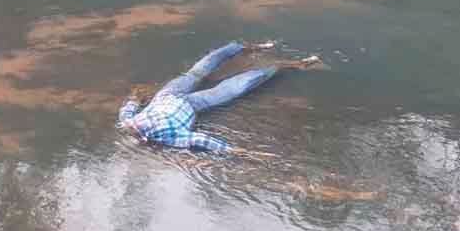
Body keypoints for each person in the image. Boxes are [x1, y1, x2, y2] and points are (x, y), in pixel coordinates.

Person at [118, 41, 321, 154]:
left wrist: (135, 97)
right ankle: (280, 63)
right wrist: (233, 151)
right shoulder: (162, 135)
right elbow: (202, 139)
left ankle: (247, 50)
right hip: (188, 103)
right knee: (227, 86)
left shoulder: (141, 127)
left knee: (205, 75)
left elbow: (128, 108)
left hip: (171, 96)